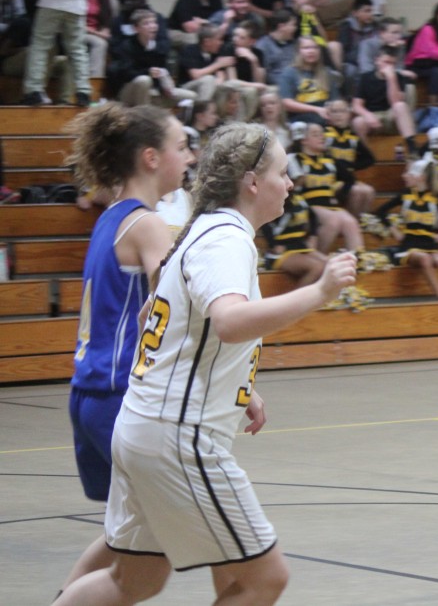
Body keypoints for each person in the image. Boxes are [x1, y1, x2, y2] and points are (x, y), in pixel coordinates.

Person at [53, 122, 357, 606]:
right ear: (253, 182)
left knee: (133, 581)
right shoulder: (226, 239)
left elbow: (170, 319)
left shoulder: (202, 231)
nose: (291, 182)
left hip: (142, 427)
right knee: (265, 579)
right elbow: (230, 322)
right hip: (178, 437)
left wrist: (241, 385)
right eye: (283, 172)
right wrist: (318, 292)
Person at [53, 104, 192, 601]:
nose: (190, 156)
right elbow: (169, 308)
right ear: (152, 158)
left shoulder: (112, 217)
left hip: (88, 395)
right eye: (181, 146)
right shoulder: (149, 226)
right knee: (147, 565)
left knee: (125, 536)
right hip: (119, 400)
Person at [374, 154, 438, 300]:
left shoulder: (435, 199)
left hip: (430, 244)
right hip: (408, 246)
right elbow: (380, 211)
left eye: (411, 173)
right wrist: (395, 231)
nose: (406, 176)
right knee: (425, 259)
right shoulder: (405, 195)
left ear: (422, 177)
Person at [287, 122, 364, 253]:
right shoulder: (295, 159)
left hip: (329, 204)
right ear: (304, 140)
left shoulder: (329, 160)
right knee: (333, 221)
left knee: (351, 223)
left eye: (322, 134)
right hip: (307, 204)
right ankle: (318, 259)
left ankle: (360, 263)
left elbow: (350, 178)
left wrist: (341, 196)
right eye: (315, 135)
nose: (322, 137)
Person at [108, 9, 195, 108]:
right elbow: (126, 74)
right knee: (144, 80)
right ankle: (143, 118)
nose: (152, 26)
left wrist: (164, 86)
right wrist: (148, 72)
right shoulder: (126, 46)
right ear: (136, 28)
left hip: (153, 91)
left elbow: (163, 71)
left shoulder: (158, 47)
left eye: (154, 22)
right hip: (129, 91)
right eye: (146, 23)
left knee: (192, 96)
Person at [352, 45, 418, 158]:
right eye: (386, 62)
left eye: (392, 63)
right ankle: (367, 156)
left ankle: (412, 149)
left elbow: (395, 102)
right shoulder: (365, 78)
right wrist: (367, 115)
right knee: (358, 121)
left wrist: (391, 79)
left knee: (401, 106)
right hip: (373, 116)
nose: (389, 66)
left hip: (392, 116)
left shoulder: (399, 77)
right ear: (377, 60)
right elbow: (356, 105)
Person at [262, 189, 326, 286]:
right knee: (317, 268)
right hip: (281, 252)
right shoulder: (274, 198)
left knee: (330, 264)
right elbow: (265, 223)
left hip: (300, 246)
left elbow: (313, 216)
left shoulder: (299, 199)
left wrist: (313, 235)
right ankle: (299, 300)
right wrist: (272, 244)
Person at [323, 98, 376, 216]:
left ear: (348, 114)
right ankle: (351, 224)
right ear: (328, 114)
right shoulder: (324, 134)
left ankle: (359, 223)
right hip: (328, 178)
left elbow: (370, 159)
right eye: (334, 111)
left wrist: (351, 165)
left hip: (348, 178)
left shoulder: (352, 136)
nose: (338, 115)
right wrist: (341, 166)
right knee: (357, 191)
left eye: (342, 111)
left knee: (369, 191)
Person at [279, 35, 339, 123]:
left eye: (315, 48)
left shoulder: (327, 72)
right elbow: (286, 103)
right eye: (306, 48)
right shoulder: (289, 72)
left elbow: (335, 99)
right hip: (301, 117)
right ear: (298, 51)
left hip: (325, 115)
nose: (311, 51)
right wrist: (316, 109)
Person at [176, 23, 233, 102]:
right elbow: (195, 75)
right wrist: (217, 64)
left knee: (228, 87)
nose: (221, 43)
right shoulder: (190, 50)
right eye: (218, 39)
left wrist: (218, 83)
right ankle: (202, 111)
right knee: (208, 79)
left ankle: (219, 113)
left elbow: (221, 76)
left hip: (211, 85)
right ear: (207, 42)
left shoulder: (216, 52)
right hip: (188, 85)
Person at [336, 0, 377, 93]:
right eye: (366, 11)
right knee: (350, 71)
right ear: (355, 13)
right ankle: (348, 98)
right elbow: (343, 51)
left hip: (370, 62)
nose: (370, 14)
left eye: (371, 11)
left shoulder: (375, 26)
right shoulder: (346, 26)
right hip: (351, 62)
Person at [254, 9, 296, 86]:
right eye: (292, 25)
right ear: (281, 27)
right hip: (276, 86)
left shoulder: (293, 43)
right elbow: (265, 74)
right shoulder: (263, 45)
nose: (295, 28)